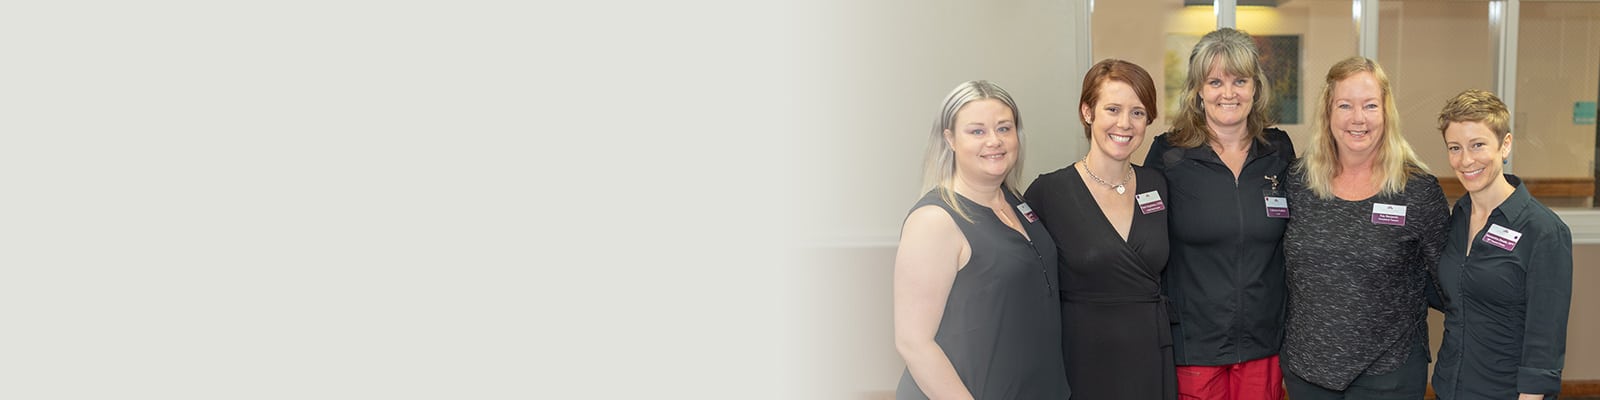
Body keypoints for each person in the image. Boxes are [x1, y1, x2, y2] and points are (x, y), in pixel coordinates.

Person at [1280, 56, 1448, 399]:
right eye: (1345, 105)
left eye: (1370, 105)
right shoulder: (1297, 182)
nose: (1358, 119)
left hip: (1390, 372)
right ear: (1328, 112)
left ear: (1386, 113)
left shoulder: (1417, 190)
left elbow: (1448, 284)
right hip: (1307, 371)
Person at [892, 80, 1070, 400]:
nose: (994, 141)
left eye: (1004, 128)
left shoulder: (1016, 203)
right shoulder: (935, 220)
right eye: (977, 131)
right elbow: (913, 342)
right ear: (950, 139)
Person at [1143, 27, 1295, 400]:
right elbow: (1144, 240)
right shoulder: (1168, 154)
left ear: (1255, 88)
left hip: (1264, 341)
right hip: (1194, 344)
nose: (1228, 93)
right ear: (1198, 90)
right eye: (1215, 81)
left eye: (1239, 80)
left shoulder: (1278, 150)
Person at [1025, 59, 1174, 400]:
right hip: (1081, 358)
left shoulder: (1158, 184)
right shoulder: (1048, 193)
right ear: (1087, 112)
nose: (1125, 123)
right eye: (1112, 109)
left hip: (1151, 355)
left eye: (1137, 112)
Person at [1429, 90, 1572, 400]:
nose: (1466, 160)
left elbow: (1544, 341)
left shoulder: (1543, 231)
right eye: (1455, 148)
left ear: (1505, 145)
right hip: (1448, 387)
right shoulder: (1458, 217)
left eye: (1478, 145)